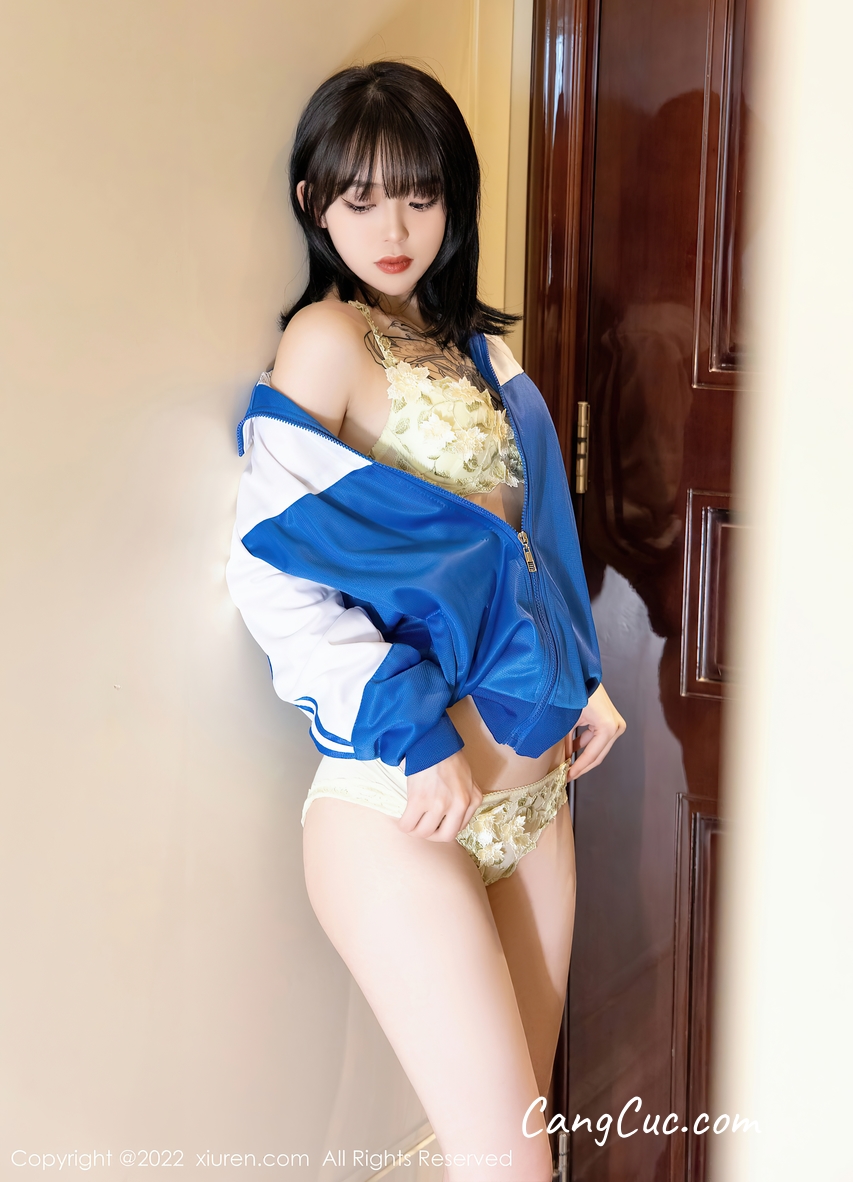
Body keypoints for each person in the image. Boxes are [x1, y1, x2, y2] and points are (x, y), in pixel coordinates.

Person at [226, 61, 626, 1182]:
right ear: (313, 203)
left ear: (455, 199)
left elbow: (527, 546)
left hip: (533, 801)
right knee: (511, 1166)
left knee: (512, 1155)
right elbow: (269, 571)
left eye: (419, 195)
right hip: (402, 802)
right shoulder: (328, 340)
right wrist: (411, 732)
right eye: (360, 200)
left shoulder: (483, 354)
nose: (393, 229)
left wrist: (583, 679)